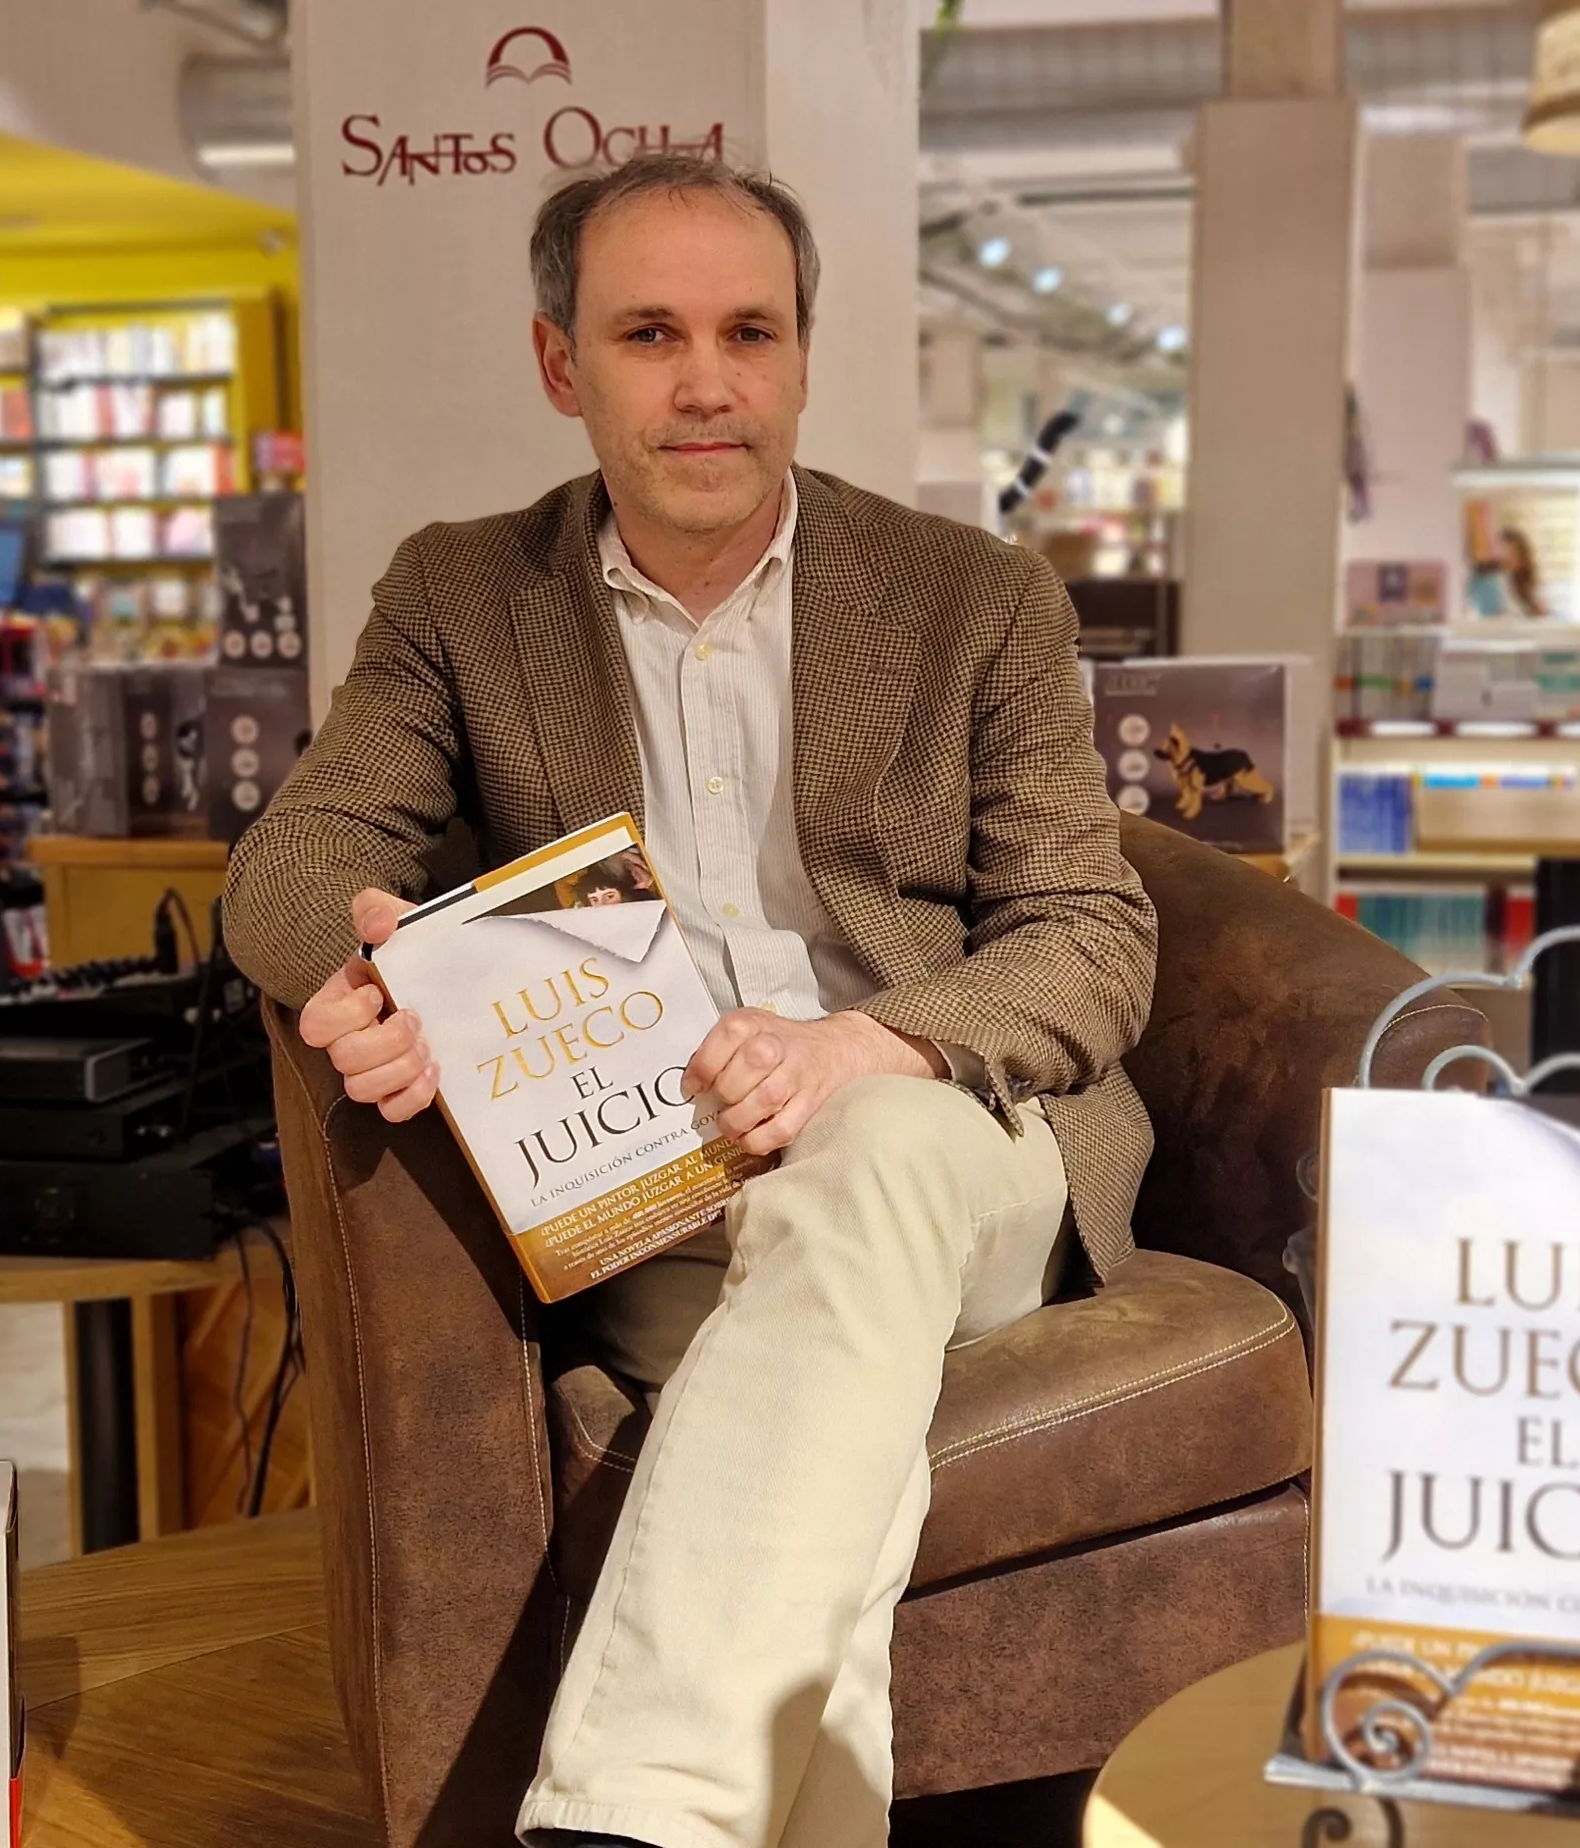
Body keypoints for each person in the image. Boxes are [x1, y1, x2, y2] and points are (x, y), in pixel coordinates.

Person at [220, 151, 1156, 1848]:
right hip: (660, 1197)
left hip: (961, 1149)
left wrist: (867, 1043)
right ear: (561, 365)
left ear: (804, 356)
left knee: (864, 1157)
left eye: (750, 331)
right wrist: (356, 972)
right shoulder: (460, 595)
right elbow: (291, 865)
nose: (707, 381)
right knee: (818, 1465)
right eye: (650, 333)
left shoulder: (974, 596)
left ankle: (628, 1814)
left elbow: (1091, 935)